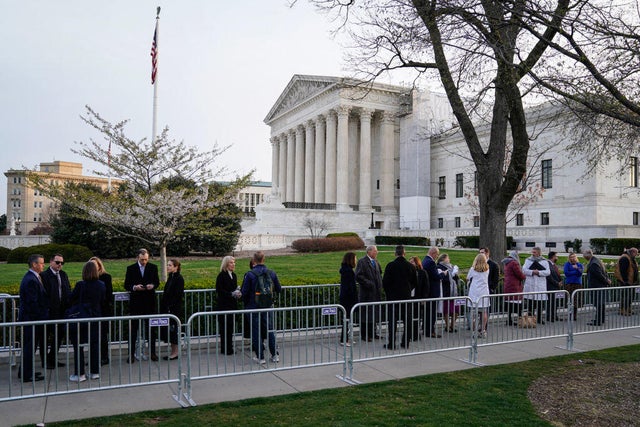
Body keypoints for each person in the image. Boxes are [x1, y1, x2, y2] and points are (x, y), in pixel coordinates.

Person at [241, 251, 282, 364]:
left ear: (254, 260)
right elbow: (279, 289)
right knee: (270, 331)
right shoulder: (271, 273)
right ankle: (274, 355)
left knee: (256, 332)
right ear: (264, 259)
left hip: (253, 307)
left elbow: (244, 292)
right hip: (267, 306)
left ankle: (260, 357)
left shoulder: (250, 274)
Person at [68, 260, 106, 382]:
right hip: (95, 318)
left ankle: (80, 374)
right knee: (94, 345)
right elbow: (102, 300)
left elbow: (72, 298)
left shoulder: (81, 285)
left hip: (81, 318)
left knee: (78, 346)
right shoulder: (101, 285)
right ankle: (94, 372)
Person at [124, 248, 160, 363]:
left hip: (149, 302)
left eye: (146, 259)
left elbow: (157, 282)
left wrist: (152, 285)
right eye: (142, 259)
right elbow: (126, 284)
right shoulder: (131, 269)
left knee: (151, 330)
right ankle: (131, 354)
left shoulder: (153, 267)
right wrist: (135, 287)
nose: (144, 262)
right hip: (136, 303)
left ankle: (153, 352)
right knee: (133, 330)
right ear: (137, 258)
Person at [18, 254, 48, 382]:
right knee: (29, 347)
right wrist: (40, 317)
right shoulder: (31, 280)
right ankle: (27, 374)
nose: (43, 265)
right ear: (34, 264)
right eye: (41, 263)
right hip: (31, 320)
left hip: (31, 319)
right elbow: (32, 303)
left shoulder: (34, 277)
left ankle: (25, 371)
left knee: (30, 347)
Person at [40, 253, 71, 369]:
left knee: (58, 336)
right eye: (57, 262)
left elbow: (67, 290)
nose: (60, 265)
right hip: (49, 312)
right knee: (45, 337)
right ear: (51, 262)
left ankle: (52, 359)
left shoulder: (63, 274)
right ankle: (45, 361)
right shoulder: (43, 275)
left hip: (62, 312)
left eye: (62, 263)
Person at [382, 245, 416, 349]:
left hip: (393, 298)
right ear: (404, 254)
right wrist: (407, 290)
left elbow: (385, 282)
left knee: (392, 322)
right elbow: (414, 282)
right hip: (406, 297)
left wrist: (390, 293)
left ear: (395, 253)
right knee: (407, 321)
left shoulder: (390, 265)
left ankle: (392, 343)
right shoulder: (410, 266)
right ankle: (405, 343)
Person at [355, 245, 383, 342]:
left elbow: (380, 273)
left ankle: (373, 333)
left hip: (376, 293)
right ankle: (365, 335)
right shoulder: (362, 262)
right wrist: (369, 284)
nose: (377, 252)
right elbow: (358, 276)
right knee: (366, 315)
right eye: (375, 251)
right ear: (369, 251)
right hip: (367, 294)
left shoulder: (376, 261)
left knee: (374, 314)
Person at [90, 256, 113, 365]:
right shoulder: (88, 278)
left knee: (103, 336)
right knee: (93, 337)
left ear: (99, 266)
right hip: (91, 312)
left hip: (103, 311)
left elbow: (109, 295)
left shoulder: (106, 277)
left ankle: (104, 357)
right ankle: (94, 357)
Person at [160, 259, 185, 360]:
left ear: (176, 267)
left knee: (174, 330)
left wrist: (170, 306)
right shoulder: (171, 277)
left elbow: (177, 295)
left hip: (174, 309)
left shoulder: (179, 278)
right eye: (167, 265)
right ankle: (173, 351)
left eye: (170, 265)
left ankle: (175, 353)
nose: (168, 267)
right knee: (170, 331)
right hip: (168, 308)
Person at [216, 256, 239, 355]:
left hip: (232, 305)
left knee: (230, 327)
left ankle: (230, 347)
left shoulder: (234, 275)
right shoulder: (221, 275)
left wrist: (237, 293)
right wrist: (230, 294)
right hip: (224, 305)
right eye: (231, 262)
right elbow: (219, 290)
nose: (233, 264)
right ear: (226, 264)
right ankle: (225, 348)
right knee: (224, 328)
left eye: (234, 262)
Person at [583, 249, 611, 326]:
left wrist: (607, 281)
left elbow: (599, 275)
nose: (583, 257)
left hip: (597, 286)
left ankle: (598, 320)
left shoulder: (593, 263)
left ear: (587, 255)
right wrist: (607, 280)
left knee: (598, 304)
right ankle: (600, 319)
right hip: (599, 286)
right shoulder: (596, 261)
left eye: (584, 255)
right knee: (600, 304)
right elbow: (604, 273)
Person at [422, 247, 445, 338]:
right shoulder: (431, 262)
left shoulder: (425, 260)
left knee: (427, 313)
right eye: (437, 254)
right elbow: (436, 276)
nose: (437, 256)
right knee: (431, 313)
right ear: (433, 253)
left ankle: (426, 329)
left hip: (428, 291)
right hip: (432, 291)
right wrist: (443, 274)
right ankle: (430, 331)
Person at [523, 247, 550, 325]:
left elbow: (548, 272)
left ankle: (539, 318)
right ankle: (530, 319)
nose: (533, 253)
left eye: (534, 252)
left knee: (540, 303)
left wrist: (539, 272)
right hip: (530, 284)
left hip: (540, 285)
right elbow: (524, 270)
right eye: (532, 252)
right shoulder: (528, 260)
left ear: (538, 253)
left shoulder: (544, 261)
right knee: (531, 303)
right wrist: (532, 271)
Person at [467, 253, 491, 337]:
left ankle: (474, 331)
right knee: (483, 312)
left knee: (473, 313)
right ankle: (483, 330)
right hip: (484, 292)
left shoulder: (473, 269)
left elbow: (468, 278)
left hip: (474, 292)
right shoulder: (487, 269)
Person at [339, 252, 358, 346]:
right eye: (355, 258)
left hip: (346, 298)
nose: (356, 260)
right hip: (347, 299)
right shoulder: (348, 271)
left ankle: (347, 338)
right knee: (346, 320)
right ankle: (344, 339)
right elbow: (349, 287)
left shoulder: (347, 270)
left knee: (348, 320)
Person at [501, 250, 525, 326]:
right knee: (518, 305)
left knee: (509, 304)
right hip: (515, 286)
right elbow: (519, 274)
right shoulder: (514, 263)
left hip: (508, 285)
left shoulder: (507, 263)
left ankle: (509, 320)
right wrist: (524, 276)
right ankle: (521, 320)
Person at [437, 253, 459, 333]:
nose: (449, 259)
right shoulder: (439, 267)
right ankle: (447, 326)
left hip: (453, 291)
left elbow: (456, 279)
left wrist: (455, 275)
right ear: (443, 259)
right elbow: (443, 278)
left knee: (456, 310)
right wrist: (449, 274)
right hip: (446, 291)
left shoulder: (452, 266)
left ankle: (452, 325)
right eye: (447, 258)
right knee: (446, 310)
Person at [409, 256, 429, 340]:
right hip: (409, 298)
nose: (410, 264)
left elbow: (426, 286)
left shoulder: (422, 273)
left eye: (412, 262)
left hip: (418, 297)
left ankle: (416, 334)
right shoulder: (408, 272)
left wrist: (423, 298)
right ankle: (410, 334)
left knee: (417, 317)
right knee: (409, 317)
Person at [615, 247, 638, 316]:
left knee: (630, 296)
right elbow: (623, 271)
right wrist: (625, 281)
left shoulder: (630, 258)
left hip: (630, 281)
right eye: (636, 253)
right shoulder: (625, 258)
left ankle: (628, 308)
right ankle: (622, 310)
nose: (636, 255)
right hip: (626, 282)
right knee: (625, 296)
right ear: (632, 252)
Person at [563, 252, 584, 321]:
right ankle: (569, 315)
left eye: (573, 257)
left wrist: (577, 268)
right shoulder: (567, 264)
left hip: (577, 284)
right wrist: (575, 272)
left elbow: (580, 273)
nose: (572, 258)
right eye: (571, 257)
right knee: (569, 300)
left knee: (576, 300)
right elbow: (566, 273)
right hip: (569, 284)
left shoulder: (579, 264)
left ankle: (574, 315)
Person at [546, 251, 562, 322]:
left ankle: (554, 315)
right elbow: (549, 277)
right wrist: (557, 283)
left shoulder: (554, 265)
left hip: (556, 287)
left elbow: (557, 274)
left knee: (555, 302)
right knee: (550, 303)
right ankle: (549, 316)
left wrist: (560, 281)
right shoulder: (548, 264)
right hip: (551, 287)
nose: (557, 258)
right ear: (553, 257)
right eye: (556, 256)